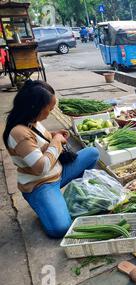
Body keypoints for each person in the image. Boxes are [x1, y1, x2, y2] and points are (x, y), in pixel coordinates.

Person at [2, 80, 99, 238]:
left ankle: (66, 197)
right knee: (61, 228)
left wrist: (53, 135)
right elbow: (41, 167)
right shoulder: (18, 133)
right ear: (36, 107)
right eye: (50, 108)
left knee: (92, 153)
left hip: (58, 172)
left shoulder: (33, 121)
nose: (52, 111)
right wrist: (55, 142)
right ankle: (42, 202)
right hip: (40, 184)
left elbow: (39, 143)